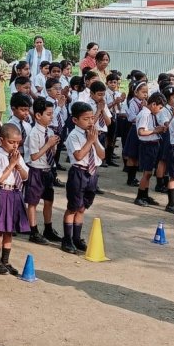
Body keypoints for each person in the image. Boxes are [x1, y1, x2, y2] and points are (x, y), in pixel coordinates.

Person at [0, 123, 29, 275]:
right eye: (11, 142)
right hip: (3, 193)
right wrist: (11, 165)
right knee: (0, 229)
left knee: (9, 230)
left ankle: (5, 261)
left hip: (15, 193)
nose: (15, 145)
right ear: (1, 140)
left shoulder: (17, 156)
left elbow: (25, 176)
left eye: (18, 142)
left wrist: (18, 166)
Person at [62, 102, 104, 254]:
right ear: (75, 120)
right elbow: (78, 155)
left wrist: (94, 140)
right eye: (86, 119)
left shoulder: (92, 133)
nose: (90, 122)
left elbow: (102, 155)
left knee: (82, 207)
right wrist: (90, 141)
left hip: (92, 172)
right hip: (78, 173)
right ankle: (67, 240)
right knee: (73, 207)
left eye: (92, 118)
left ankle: (76, 238)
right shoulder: (74, 135)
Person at [133, 92, 166, 208]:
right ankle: (139, 196)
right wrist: (155, 131)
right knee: (146, 173)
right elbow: (141, 132)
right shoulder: (145, 115)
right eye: (160, 107)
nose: (160, 110)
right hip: (147, 145)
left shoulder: (150, 114)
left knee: (149, 173)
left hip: (153, 144)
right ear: (153, 104)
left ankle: (145, 195)